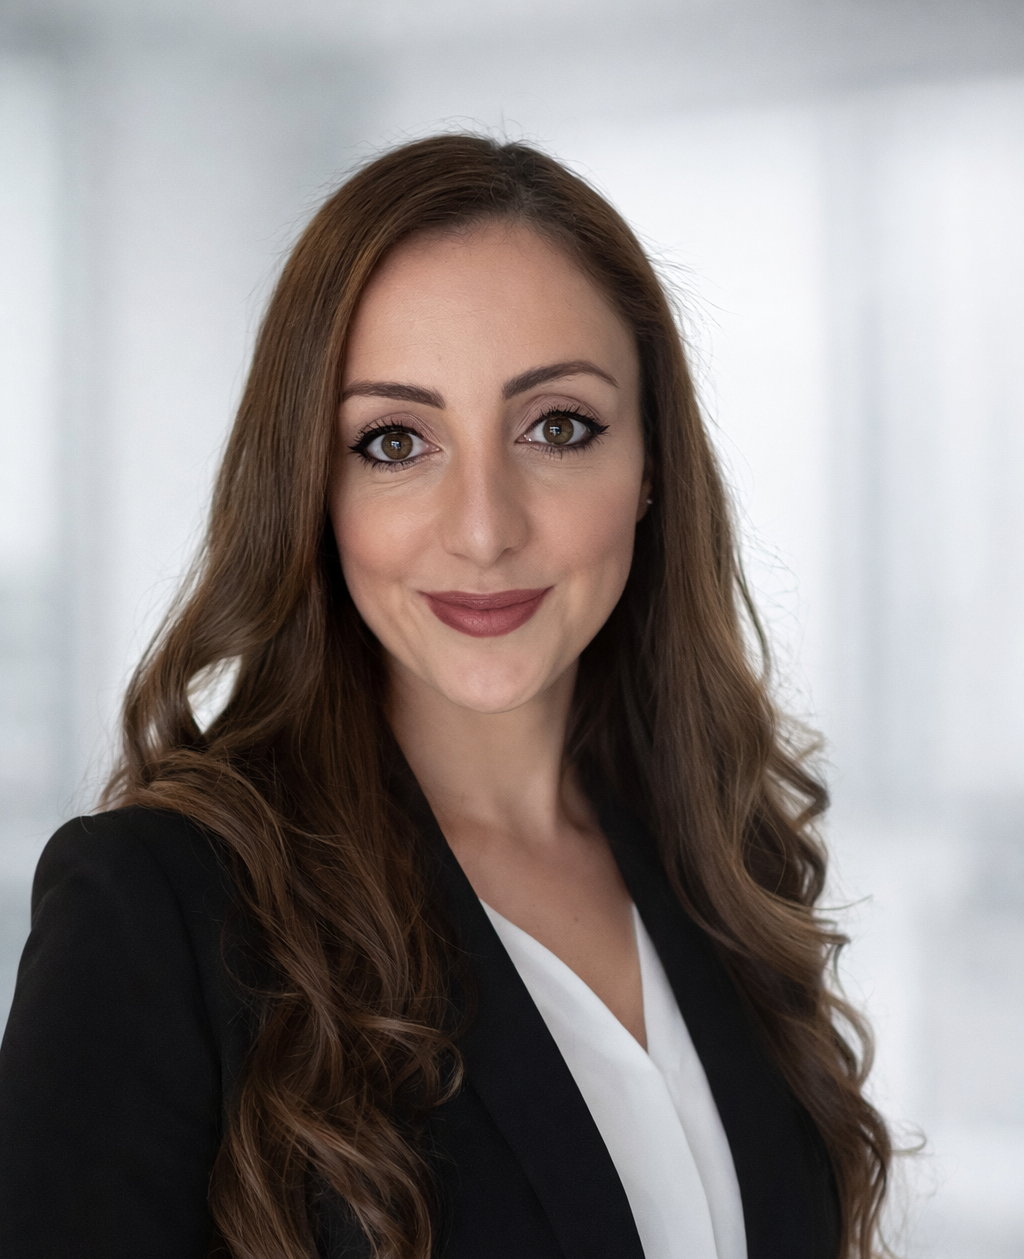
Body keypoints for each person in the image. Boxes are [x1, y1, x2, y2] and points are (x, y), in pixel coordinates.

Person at [0, 134, 890, 1259]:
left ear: (652, 462)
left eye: (557, 426)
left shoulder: (715, 856)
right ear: (310, 487)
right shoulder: (160, 909)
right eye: (395, 441)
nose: (483, 527)